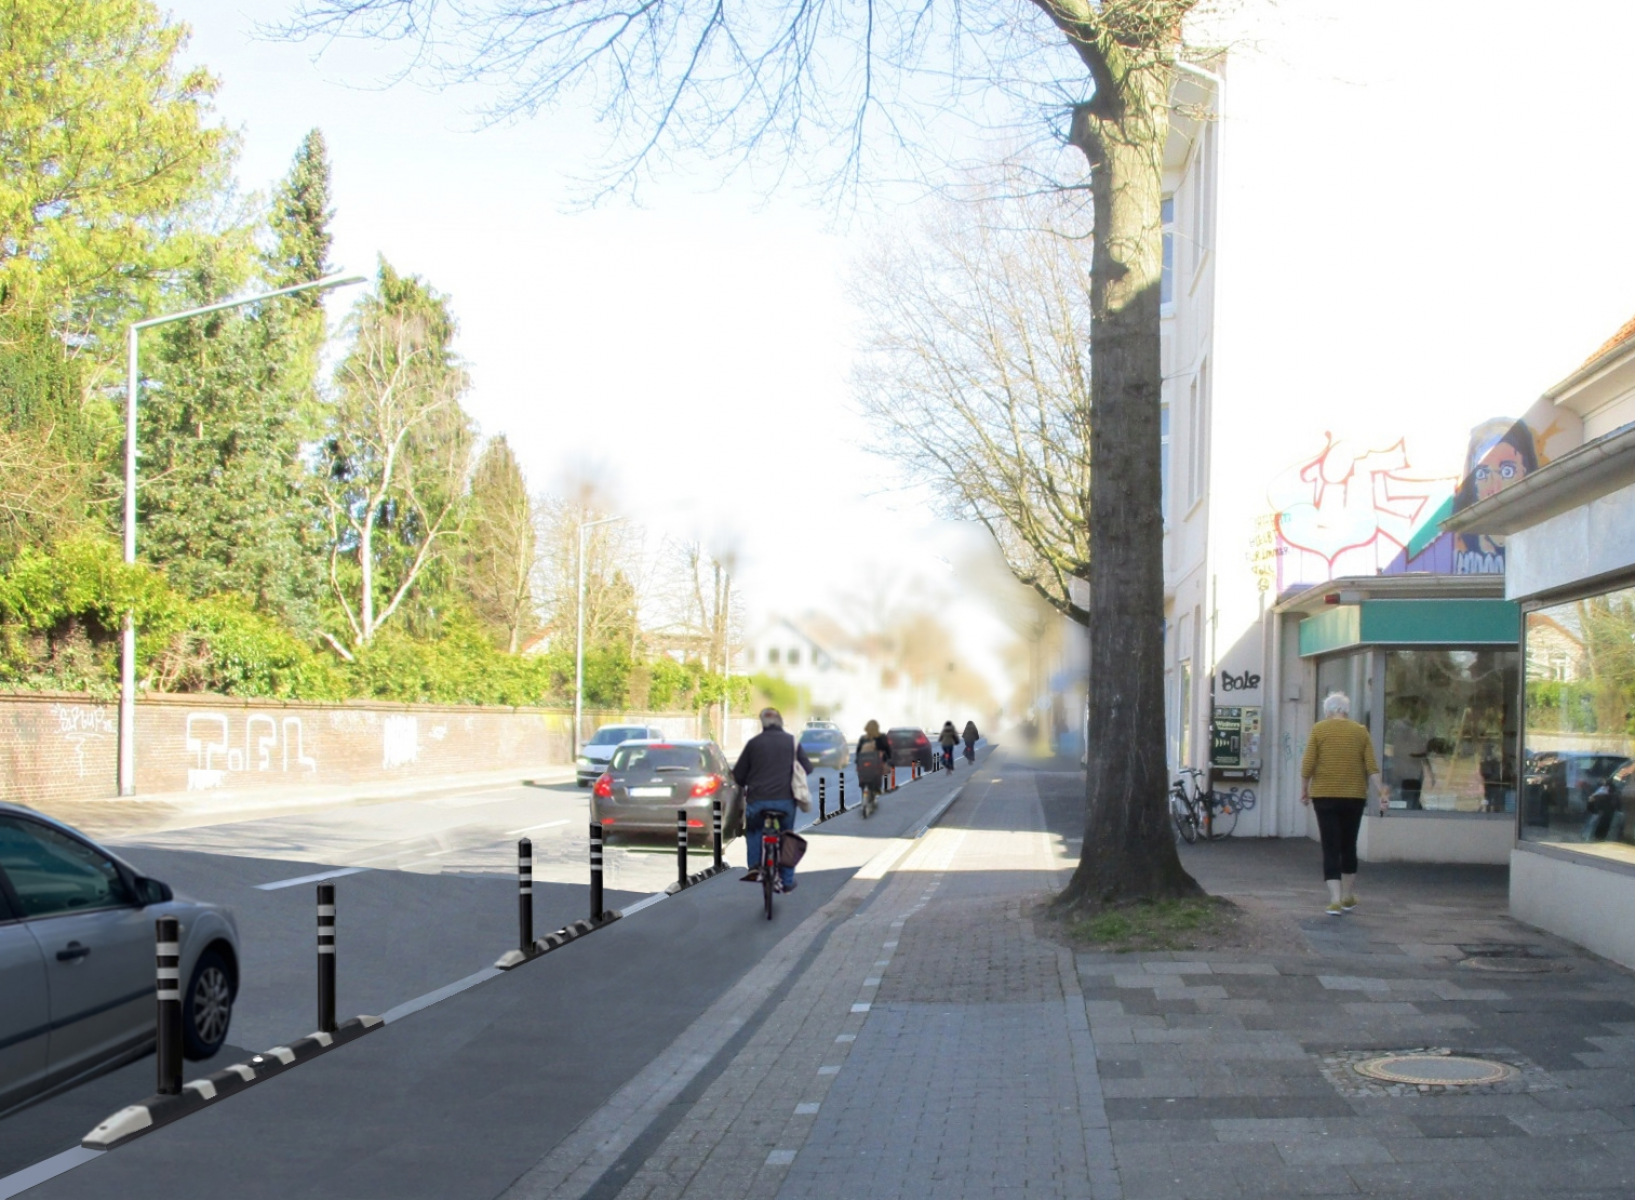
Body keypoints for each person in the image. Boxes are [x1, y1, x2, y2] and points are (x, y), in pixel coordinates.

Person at [1300, 692, 1384, 916]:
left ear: (1328, 711)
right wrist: (1381, 791)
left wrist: (1304, 790)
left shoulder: (1319, 729)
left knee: (1330, 846)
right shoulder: (1360, 731)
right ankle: (1348, 895)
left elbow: (1308, 764)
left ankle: (1335, 899)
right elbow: (1372, 767)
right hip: (1354, 797)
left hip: (1325, 796)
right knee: (1348, 845)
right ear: (1346, 711)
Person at [732, 707, 811, 893]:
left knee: (753, 830)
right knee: (787, 837)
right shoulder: (792, 742)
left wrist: (748, 782)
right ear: (781, 721)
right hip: (785, 800)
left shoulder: (753, 744)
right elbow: (807, 768)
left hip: (758, 800)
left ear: (762, 723)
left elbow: (738, 775)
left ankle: (754, 867)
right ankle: (787, 880)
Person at [855, 719, 890, 817]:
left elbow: (858, 753)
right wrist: (889, 761)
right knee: (877, 779)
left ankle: (864, 797)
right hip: (876, 767)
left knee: (863, 781)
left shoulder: (863, 739)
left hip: (863, 767)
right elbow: (887, 751)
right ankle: (875, 792)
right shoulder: (881, 737)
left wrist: (857, 764)